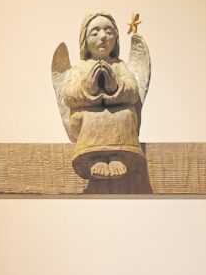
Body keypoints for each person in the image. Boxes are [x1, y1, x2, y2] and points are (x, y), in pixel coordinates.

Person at [52, 12, 150, 179]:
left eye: (109, 31)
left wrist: (115, 87)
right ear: (85, 39)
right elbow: (68, 95)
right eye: (95, 32)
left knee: (127, 114)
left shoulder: (120, 66)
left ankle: (118, 156)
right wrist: (88, 87)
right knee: (92, 117)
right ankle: (94, 157)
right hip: (86, 118)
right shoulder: (80, 68)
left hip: (118, 116)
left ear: (116, 38)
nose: (103, 36)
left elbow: (133, 92)